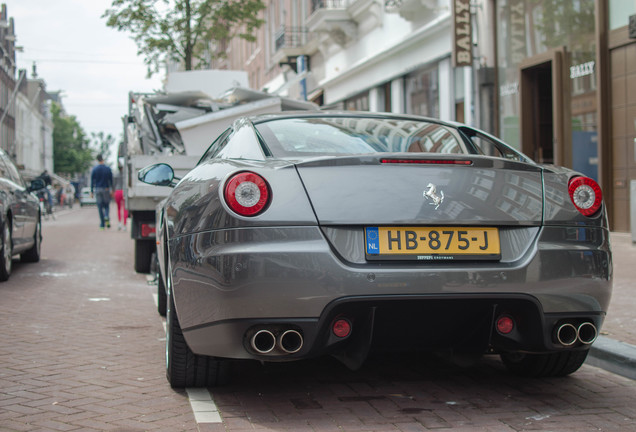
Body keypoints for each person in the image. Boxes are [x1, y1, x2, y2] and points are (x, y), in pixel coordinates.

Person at [90, 154, 113, 230]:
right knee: (106, 205)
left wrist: (91, 191)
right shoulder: (107, 169)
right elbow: (111, 180)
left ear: (97, 160)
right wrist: (112, 189)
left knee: (100, 206)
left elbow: (92, 181)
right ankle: (106, 216)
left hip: (98, 189)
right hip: (106, 189)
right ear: (103, 159)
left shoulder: (95, 169)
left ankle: (102, 224)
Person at [113, 165, 128, 231]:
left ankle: (119, 223)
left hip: (117, 191)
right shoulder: (125, 175)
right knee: (125, 208)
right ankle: (124, 225)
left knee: (118, 208)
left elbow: (114, 184)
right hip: (124, 191)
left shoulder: (116, 175)